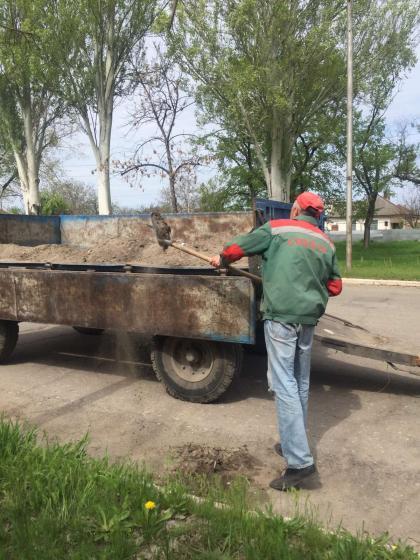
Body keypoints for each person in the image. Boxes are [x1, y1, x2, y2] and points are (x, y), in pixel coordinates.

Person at [210, 192, 342, 490]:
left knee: (284, 386)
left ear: (296, 209)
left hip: (281, 318)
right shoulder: (326, 242)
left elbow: (238, 247)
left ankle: (300, 465)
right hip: (307, 321)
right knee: (299, 383)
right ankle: (291, 441)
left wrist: (221, 258)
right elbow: (335, 286)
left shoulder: (278, 228)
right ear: (317, 215)